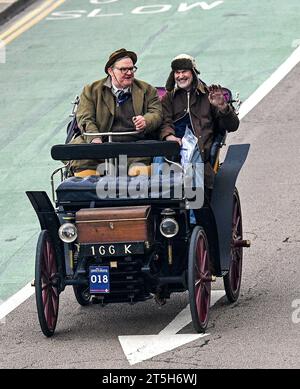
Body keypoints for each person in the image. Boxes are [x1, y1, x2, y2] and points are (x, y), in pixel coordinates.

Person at [70, 48, 162, 175]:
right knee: (82, 161)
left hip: (135, 146)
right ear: (110, 71)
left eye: (131, 69)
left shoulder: (147, 90)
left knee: (141, 169)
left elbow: (156, 113)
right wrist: (95, 139)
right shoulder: (91, 90)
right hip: (101, 146)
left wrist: (146, 120)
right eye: (124, 69)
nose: (129, 73)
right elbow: (85, 118)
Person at [160, 54, 240, 191]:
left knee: (194, 154)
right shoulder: (169, 98)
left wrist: (223, 107)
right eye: (177, 72)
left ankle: (194, 210)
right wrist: (169, 136)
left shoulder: (209, 95)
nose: (180, 76)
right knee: (158, 157)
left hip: (201, 149)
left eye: (184, 71)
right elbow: (165, 122)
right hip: (174, 145)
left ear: (193, 73)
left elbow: (232, 126)